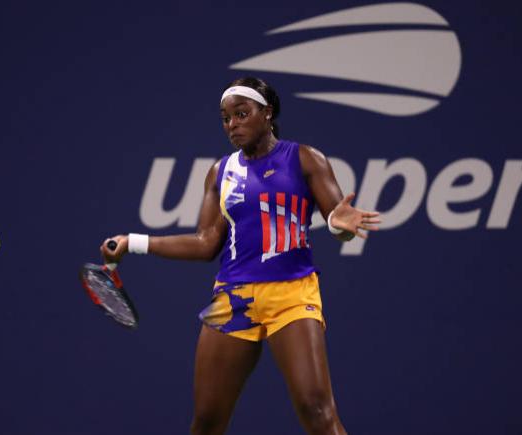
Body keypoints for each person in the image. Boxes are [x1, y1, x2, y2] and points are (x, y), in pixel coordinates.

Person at [101, 77, 381, 435]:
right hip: (233, 297)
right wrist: (133, 241)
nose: (232, 124)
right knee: (207, 421)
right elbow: (205, 243)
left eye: (242, 113)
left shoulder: (306, 159)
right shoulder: (221, 172)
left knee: (317, 410)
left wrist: (340, 225)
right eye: (225, 118)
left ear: (267, 114)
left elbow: (338, 224)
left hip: (292, 294)